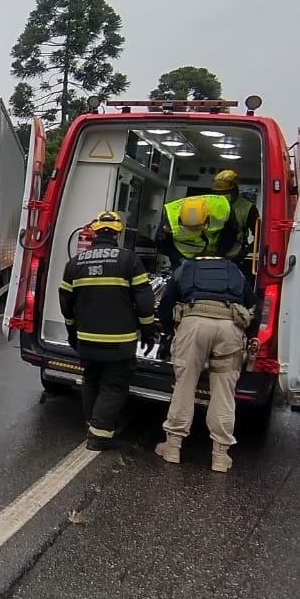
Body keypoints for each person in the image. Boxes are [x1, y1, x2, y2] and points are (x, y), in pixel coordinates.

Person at [59, 211, 157, 451]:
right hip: (119, 343)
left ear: (94, 232)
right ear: (118, 233)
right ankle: (99, 436)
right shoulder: (130, 261)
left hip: (86, 341)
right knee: (113, 386)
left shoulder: (74, 264)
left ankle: (92, 424)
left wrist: (71, 331)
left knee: (91, 380)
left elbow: (66, 303)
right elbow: (145, 303)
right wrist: (148, 332)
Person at [155, 254, 259, 472]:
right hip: (229, 329)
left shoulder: (186, 268)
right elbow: (254, 308)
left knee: (185, 385)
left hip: (194, 325)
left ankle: (173, 447)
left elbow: (166, 305)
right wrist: (248, 335)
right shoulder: (235, 271)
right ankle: (220, 455)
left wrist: (169, 331)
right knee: (224, 392)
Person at [157, 191, 231, 264]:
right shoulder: (169, 222)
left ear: (207, 219)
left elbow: (230, 234)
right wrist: (180, 259)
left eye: (197, 228)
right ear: (180, 220)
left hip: (215, 254)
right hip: (183, 256)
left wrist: (219, 256)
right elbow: (162, 245)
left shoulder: (222, 210)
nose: (194, 231)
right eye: (189, 228)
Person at [212, 169, 260, 269]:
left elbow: (260, 236)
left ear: (235, 189)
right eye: (219, 193)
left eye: (226, 192)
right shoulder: (210, 204)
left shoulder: (248, 208)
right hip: (209, 256)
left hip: (233, 258)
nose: (222, 195)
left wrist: (244, 252)